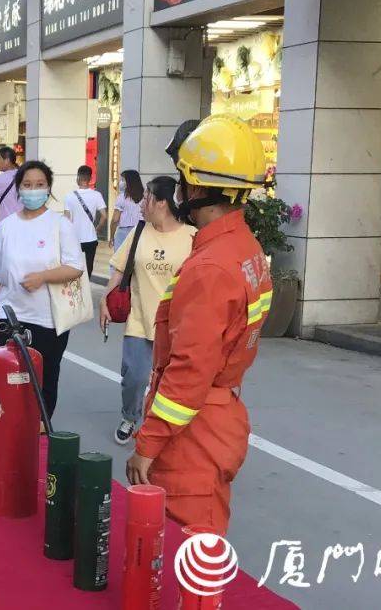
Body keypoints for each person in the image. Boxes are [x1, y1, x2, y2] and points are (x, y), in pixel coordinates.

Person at [126, 115, 272, 536]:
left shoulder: (210, 266)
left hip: (193, 434)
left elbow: (189, 370)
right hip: (216, 415)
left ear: (195, 187)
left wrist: (147, 446)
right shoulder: (243, 247)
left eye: (182, 178)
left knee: (188, 560)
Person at [0, 160, 85, 418]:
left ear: (48, 188)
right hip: (9, 317)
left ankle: (40, 433)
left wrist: (43, 277)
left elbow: (76, 267)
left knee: (46, 379)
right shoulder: (7, 227)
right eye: (27, 185)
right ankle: (11, 432)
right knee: (12, 380)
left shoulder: (60, 225)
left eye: (39, 185)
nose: (33, 190)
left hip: (48, 320)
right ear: (18, 189)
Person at [100, 176, 195, 444]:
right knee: (134, 377)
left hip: (177, 326)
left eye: (147, 199)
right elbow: (120, 268)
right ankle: (130, 417)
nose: (141, 204)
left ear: (162, 203)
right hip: (140, 320)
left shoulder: (191, 237)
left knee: (170, 382)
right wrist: (104, 300)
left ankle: (162, 428)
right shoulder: (139, 231)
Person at [63, 165, 106, 278]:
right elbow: (104, 216)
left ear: (78, 178)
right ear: (90, 178)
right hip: (91, 238)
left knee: (74, 267)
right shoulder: (97, 195)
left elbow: (67, 220)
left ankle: (77, 292)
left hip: (74, 239)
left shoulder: (69, 196)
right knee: (88, 268)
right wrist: (98, 228)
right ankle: (86, 291)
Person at [110, 169, 145, 250]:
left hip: (123, 233)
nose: (121, 182)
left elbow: (115, 220)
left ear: (129, 182)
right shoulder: (145, 197)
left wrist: (112, 237)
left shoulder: (121, 197)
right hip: (141, 231)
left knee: (119, 260)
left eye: (123, 180)